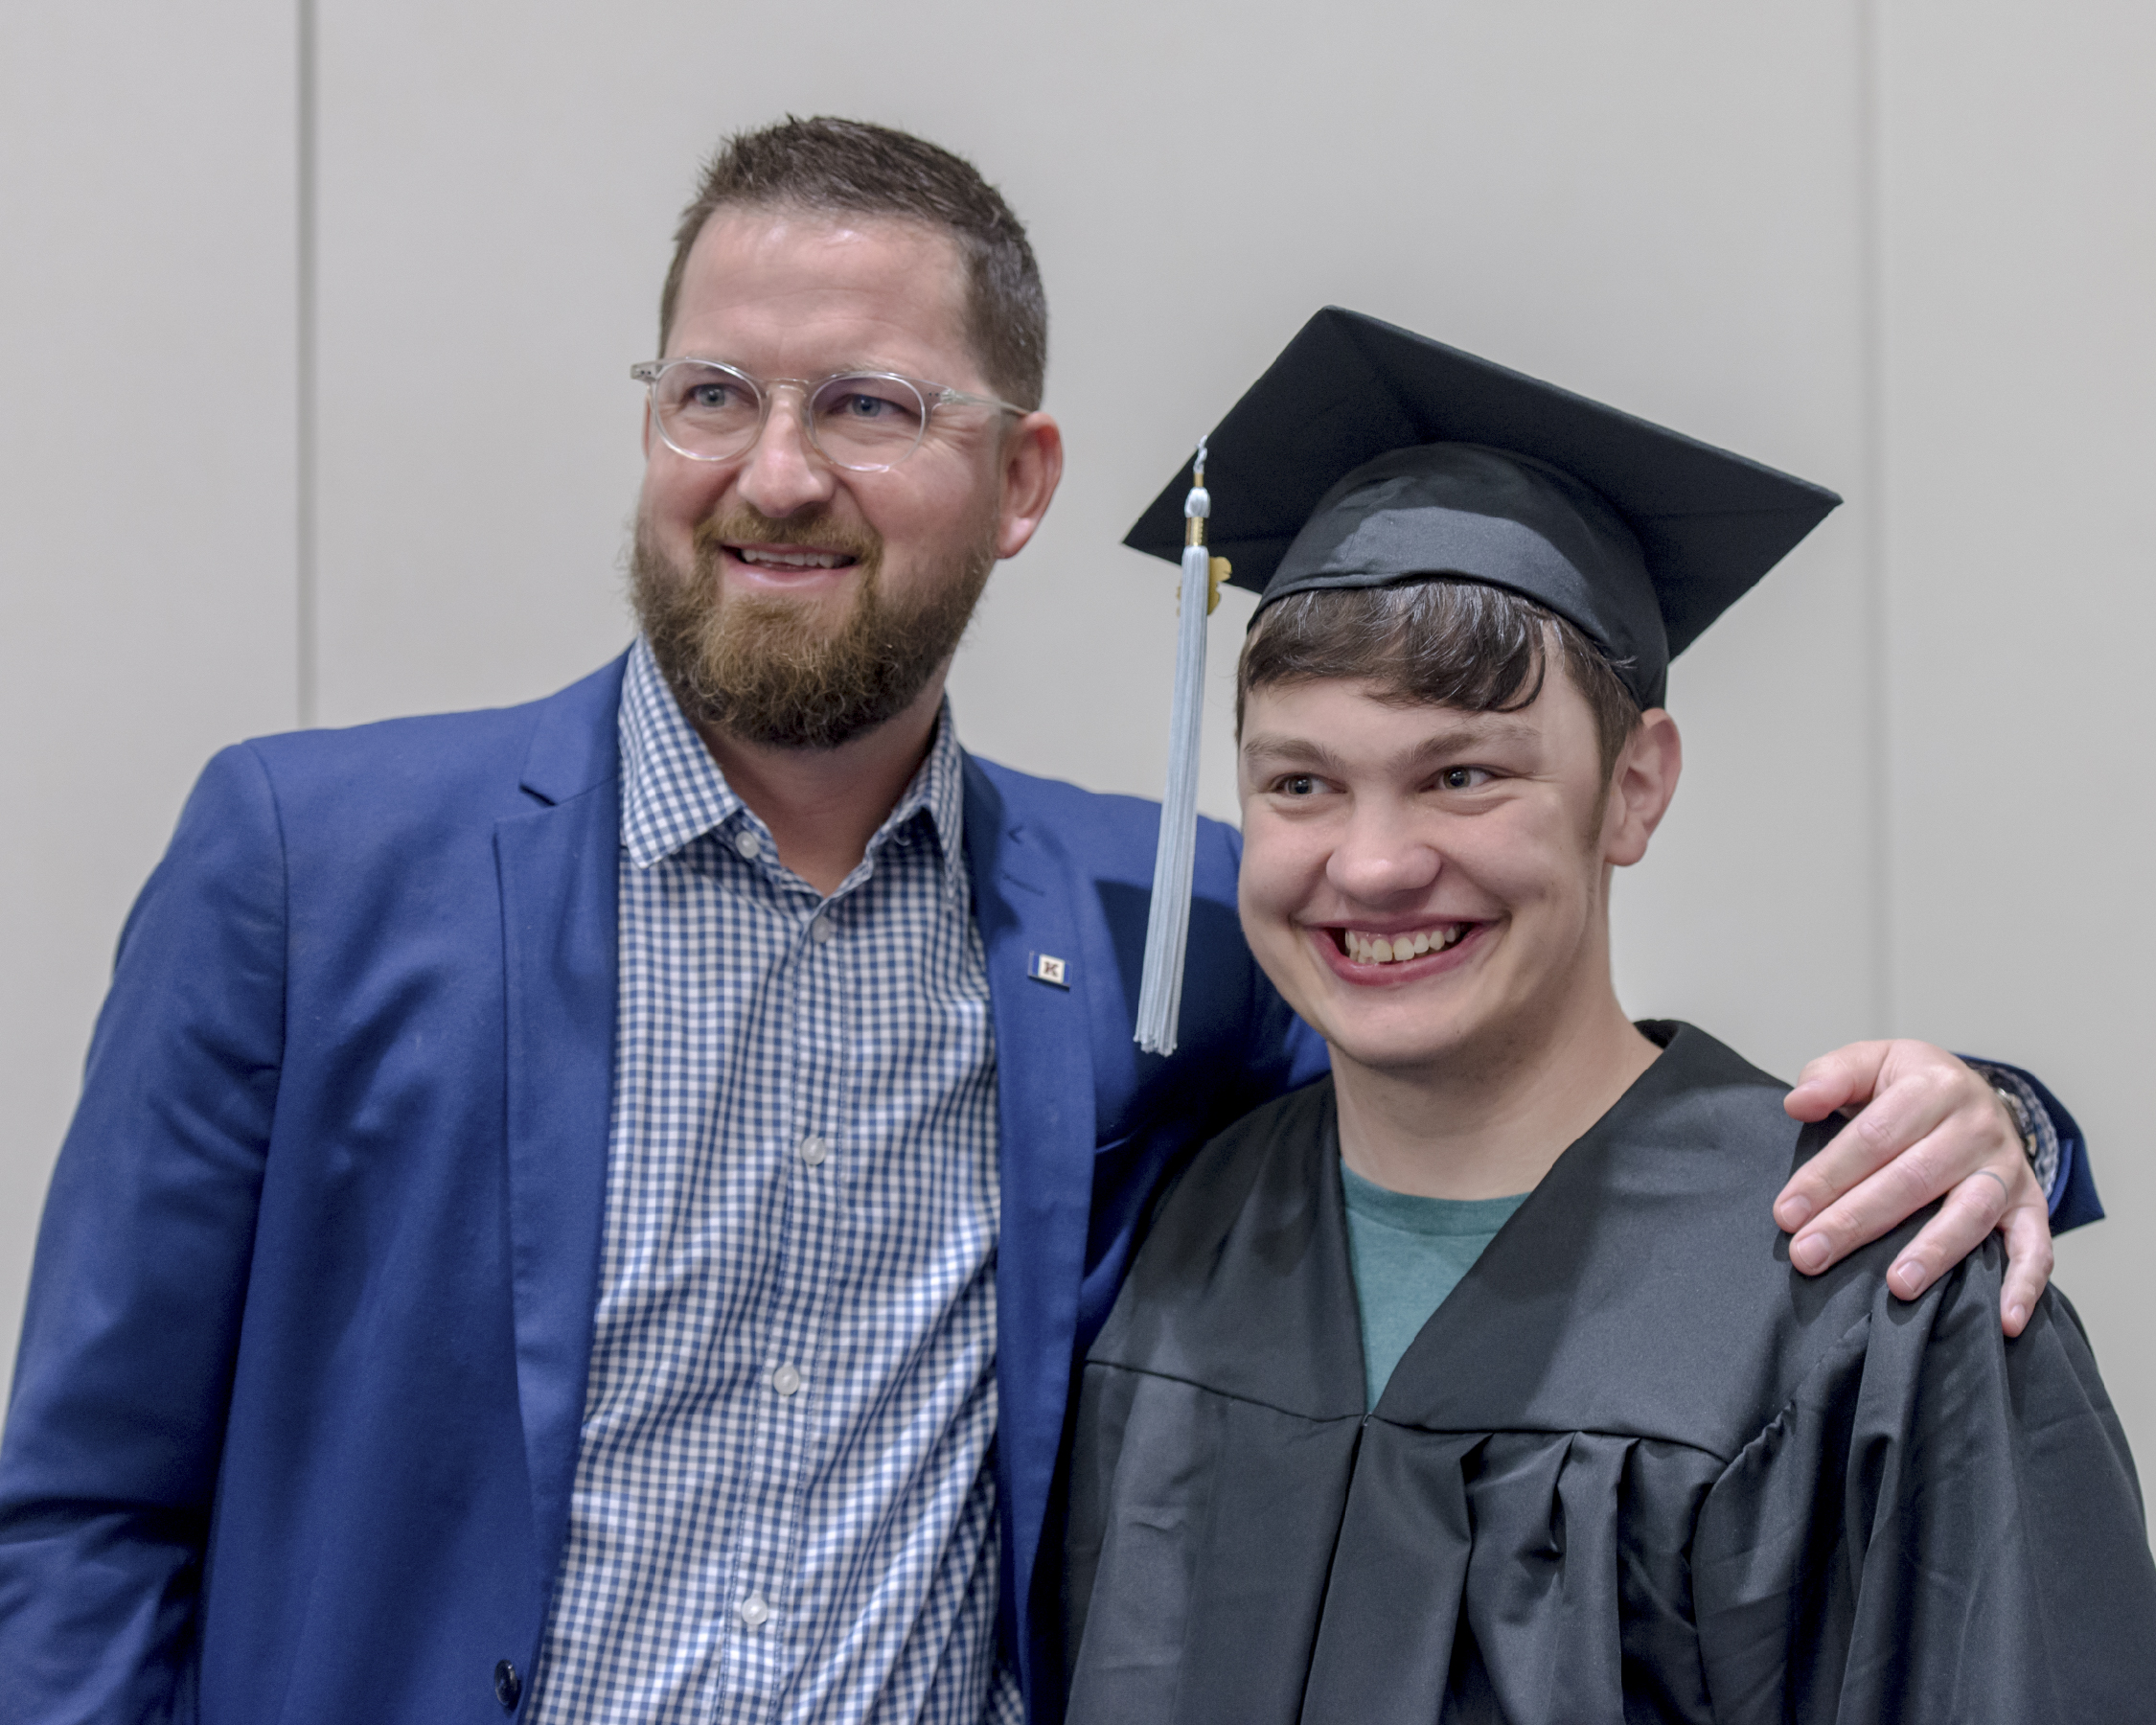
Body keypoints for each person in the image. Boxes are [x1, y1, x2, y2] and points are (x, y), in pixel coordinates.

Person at [0, 125, 2088, 1725]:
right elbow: (82, 1515)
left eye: (874, 406)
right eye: (714, 391)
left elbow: (1558, 1134)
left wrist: (2004, 1123)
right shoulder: (309, 866)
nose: (777, 471)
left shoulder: (1152, 931)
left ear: (1021, 479)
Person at [1061, 309, 2152, 1723]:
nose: (1373, 863)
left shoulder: (1866, 1278)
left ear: (1633, 787)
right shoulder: (1177, 1228)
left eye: (1464, 776)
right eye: (1300, 784)